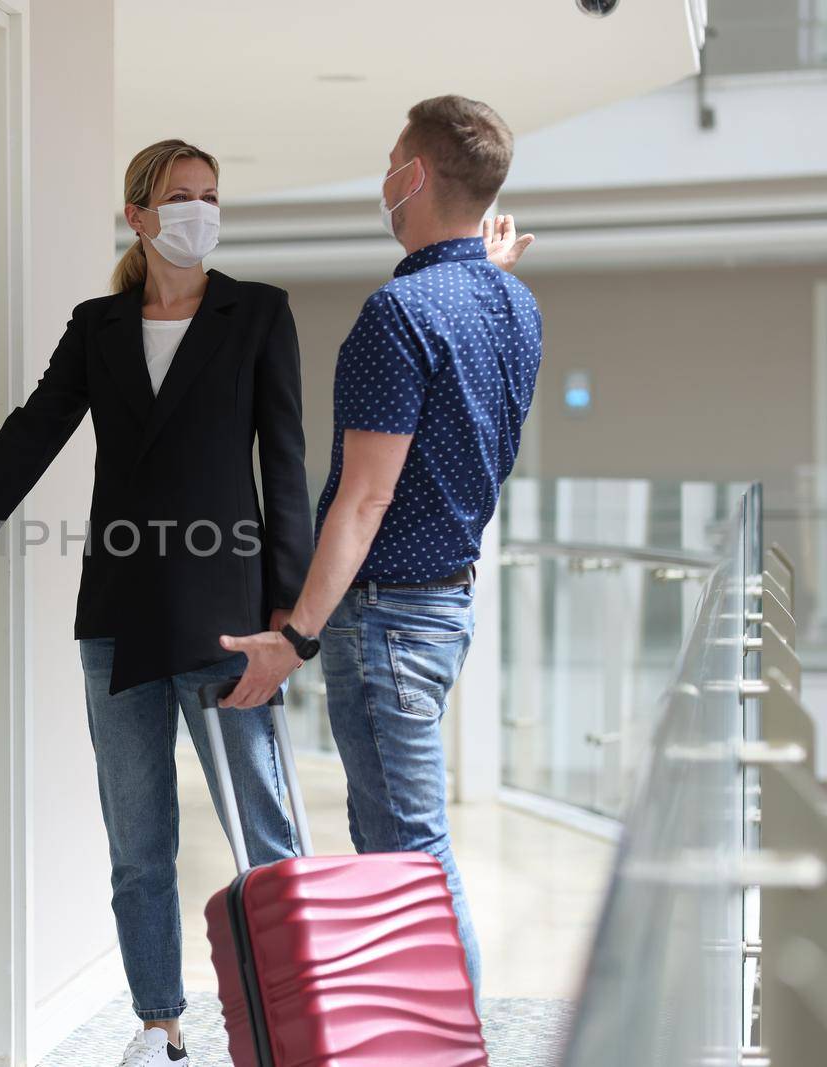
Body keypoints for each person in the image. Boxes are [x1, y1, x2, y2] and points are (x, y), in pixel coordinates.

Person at [0, 139, 312, 1067]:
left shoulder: (258, 314)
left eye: (211, 197)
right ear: (138, 215)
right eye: (179, 197)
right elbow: (38, 425)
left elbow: (287, 469)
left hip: (230, 625)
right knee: (139, 845)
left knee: (264, 839)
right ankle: (159, 1026)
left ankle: (293, 1026)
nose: (199, 212)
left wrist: (288, 627)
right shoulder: (97, 325)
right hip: (119, 619)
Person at [218, 94, 541, 1005]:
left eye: (394, 157)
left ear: (418, 174)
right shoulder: (515, 306)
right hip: (443, 612)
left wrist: (299, 636)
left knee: (408, 849)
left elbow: (364, 498)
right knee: (403, 841)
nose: (385, 174)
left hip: (388, 621)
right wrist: (487, 262)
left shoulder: (395, 316)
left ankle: (447, 1044)